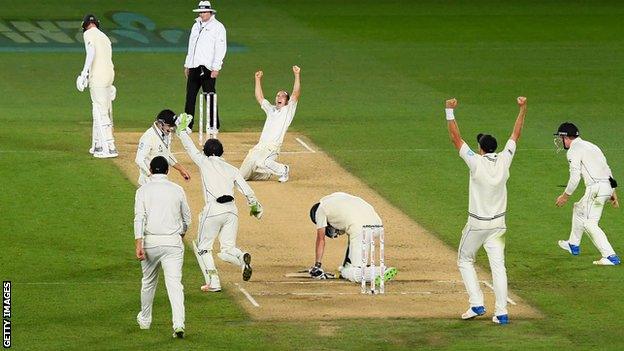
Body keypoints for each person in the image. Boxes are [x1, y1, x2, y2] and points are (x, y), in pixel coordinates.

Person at [445, 96, 527, 325]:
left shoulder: (476, 162)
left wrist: (448, 110)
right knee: (498, 267)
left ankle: (476, 304)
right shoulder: (504, 160)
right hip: (498, 225)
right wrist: (523, 108)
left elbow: (456, 139)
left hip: (477, 224)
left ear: (481, 149)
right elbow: (516, 134)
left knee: (464, 260)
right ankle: (501, 313)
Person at [175, 114, 263, 292]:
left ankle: (213, 283)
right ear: (222, 152)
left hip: (213, 210)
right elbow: (247, 191)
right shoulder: (232, 169)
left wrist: (181, 131)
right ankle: (241, 256)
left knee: (203, 248)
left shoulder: (204, 162)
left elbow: (190, 148)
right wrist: (255, 208)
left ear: (206, 152)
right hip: (232, 211)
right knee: (226, 249)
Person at [134, 156, 191, 339]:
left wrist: (138, 243)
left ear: (150, 170)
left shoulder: (143, 190)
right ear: (167, 171)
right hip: (173, 243)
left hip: (150, 242)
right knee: (175, 285)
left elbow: (139, 218)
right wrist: (179, 235)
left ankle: (145, 320)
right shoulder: (177, 190)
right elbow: (187, 219)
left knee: (148, 282)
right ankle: (179, 325)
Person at [554, 122, 620, 266]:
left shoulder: (574, 150)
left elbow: (575, 177)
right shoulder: (592, 146)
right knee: (578, 208)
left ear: (566, 137)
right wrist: (613, 190)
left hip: (596, 189)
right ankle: (573, 244)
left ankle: (610, 256)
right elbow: (607, 168)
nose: (560, 140)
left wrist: (565, 196)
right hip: (606, 186)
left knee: (589, 224)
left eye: (561, 137)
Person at [307, 192, 397, 284]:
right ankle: (361, 268)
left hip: (360, 229)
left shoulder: (320, 211)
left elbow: (321, 239)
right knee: (351, 265)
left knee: (349, 272)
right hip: (376, 224)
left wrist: (317, 266)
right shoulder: (335, 198)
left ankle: (379, 271)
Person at [239, 66, 301, 182]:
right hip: (259, 147)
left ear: (287, 101)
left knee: (261, 162)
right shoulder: (270, 109)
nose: (279, 97)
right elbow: (260, 97)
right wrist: (257, 79)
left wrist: (297, 75)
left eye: (282, 96)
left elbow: (296, 93)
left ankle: (283, 169)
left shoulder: (288, 110)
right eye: (278, 95)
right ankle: (266, 174)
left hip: (272, 148)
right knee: (241, 176)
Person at [75, 14, 118, 158]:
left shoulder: (88, 34)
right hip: (109, 74)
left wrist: (84, 73)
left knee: (100, 111)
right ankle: (97, 145)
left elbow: (91, 52)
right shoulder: (104, 36)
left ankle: (109, 148)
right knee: (101, 109)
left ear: (85, 26)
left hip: (98, 76)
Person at [183, 1, 226, 130]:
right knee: (190, 97)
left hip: (208, 68)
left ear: (211, 12)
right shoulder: (195, 26)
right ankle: (187, 125)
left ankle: (214, 125)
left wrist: (216, 67)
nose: (202, 14)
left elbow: (221, 48)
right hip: (194, 66)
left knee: (210, 96)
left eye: (204, 12)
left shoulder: (218, 27)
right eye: (200, 12)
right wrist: (187, 65)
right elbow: (191, 47)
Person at [135, 110, 191, 186]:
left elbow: (166, 153)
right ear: (160, 124)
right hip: (147, 183)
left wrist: (181, 169)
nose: (171, 128)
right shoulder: (148, 136)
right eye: (169, 125)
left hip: (161, 180)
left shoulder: (166, 134)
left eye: (173, 125)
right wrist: (151, 176)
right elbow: (139, 160)